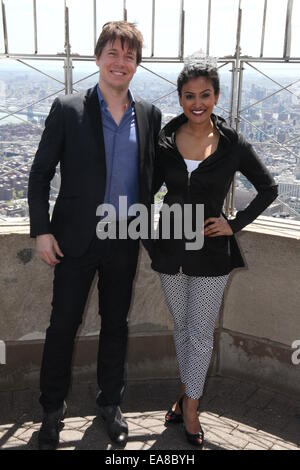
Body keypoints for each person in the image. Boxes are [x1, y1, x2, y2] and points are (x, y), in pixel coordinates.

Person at [28, 21, 161, 449]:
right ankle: (51, 410)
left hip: (124, 238)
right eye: (113, 53)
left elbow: (152, 173)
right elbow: (40, 172)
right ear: (98, 57)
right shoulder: (69, 108)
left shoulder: (149, 114)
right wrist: (42, 231)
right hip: (73, 238)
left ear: (136, 64)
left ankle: (110, 404)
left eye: (129, 56)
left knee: (116, 326)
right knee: (61, 326)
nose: (120, 63)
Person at [151, 58, 278, 448]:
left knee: (201, 333)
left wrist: (233, 225)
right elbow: (144, 191)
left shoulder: (232, 144)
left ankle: (191, 406)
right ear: (180, 98)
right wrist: (151, 238)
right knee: (184, 328)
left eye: (205, 94)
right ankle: (186, 391)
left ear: (217, 96)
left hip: (211, 254)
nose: (197, 102)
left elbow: (268, 188)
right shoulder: (164, 142)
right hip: (170, 250)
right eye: (189, 96)